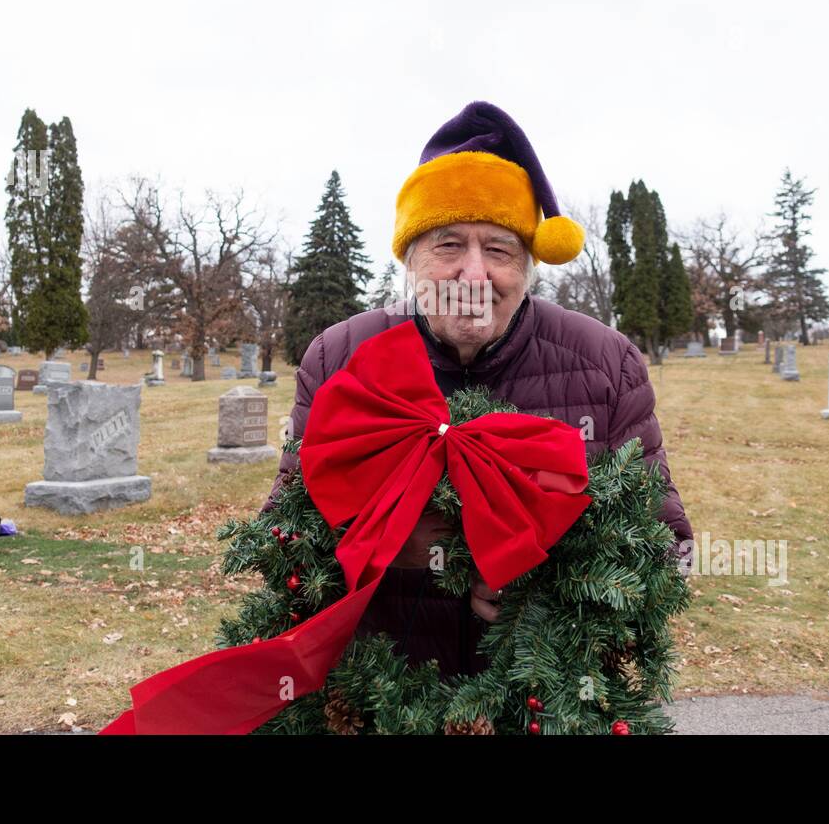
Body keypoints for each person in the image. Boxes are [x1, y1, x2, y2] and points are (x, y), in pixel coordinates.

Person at [261, 100, 692, 679]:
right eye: (447, 245)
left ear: (530, 264)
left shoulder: (606, 363)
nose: (473, 274)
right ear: (410, 260)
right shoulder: (337, 358)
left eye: (498, 248)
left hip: (545, 698)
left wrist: (550, 585)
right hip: (378, 690)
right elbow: (284, 540)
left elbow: (667, 546)